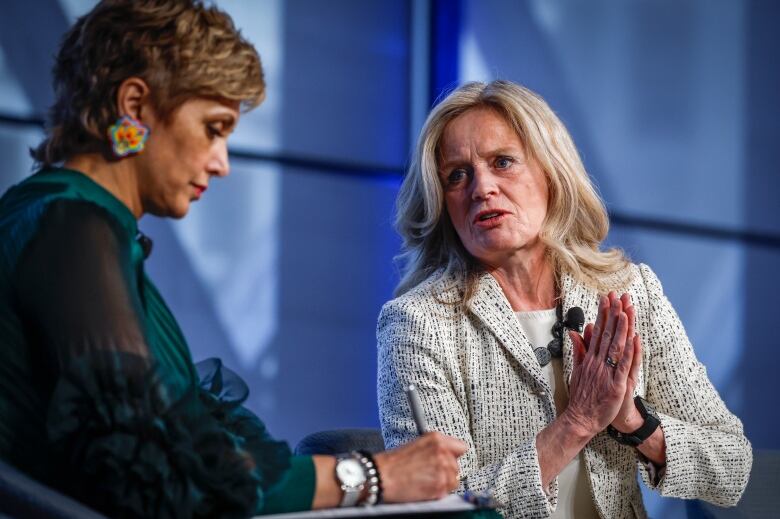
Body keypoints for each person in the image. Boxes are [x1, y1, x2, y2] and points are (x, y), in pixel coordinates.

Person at [0, 1, 487, 517]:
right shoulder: (72, 225)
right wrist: (375, 475)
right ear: (135, 106)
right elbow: (158, 469)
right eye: (214, 128)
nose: (222, 163)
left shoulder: (72, 221)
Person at [377, 80, 752, 518]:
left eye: (503, 162)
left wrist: (633, 422)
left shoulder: (630, 291)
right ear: (442, 202)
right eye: (457, 175)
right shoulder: (417, 322)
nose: (481, 188)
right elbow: (439, 509)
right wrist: (576, 423)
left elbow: (731, 466)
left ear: (550, 173)